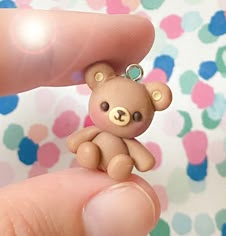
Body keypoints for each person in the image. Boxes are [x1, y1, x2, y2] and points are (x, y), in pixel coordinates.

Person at [0, 9, 160, 236]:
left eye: (135, 116)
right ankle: (91, 155)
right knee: (86, 147)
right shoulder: (96, 131)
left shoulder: (127, 141)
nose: (119, 115)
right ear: (98, 80)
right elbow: (76, 141)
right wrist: (79, 144)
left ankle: (118, 166)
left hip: (119, 160)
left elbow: (144, 160)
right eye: (106, 107)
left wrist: (142, 160)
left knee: (121, 159)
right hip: (92, 151)